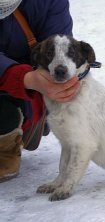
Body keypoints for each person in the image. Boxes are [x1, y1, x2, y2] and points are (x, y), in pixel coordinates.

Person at [0, 0, 80, 182]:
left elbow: (60, 46)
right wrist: (21, 77)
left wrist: (55, 82)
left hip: (23, 95)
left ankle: (9, 137)